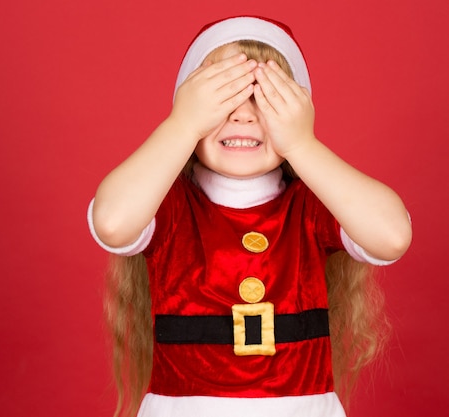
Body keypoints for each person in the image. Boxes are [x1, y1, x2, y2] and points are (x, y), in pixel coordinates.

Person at [87, 16, 412, 417]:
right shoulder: (170, 206)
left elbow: (392, 235)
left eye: (265, 98)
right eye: (223, 98)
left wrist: (301, 144)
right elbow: (113, 223)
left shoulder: (310, 206)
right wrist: (182, 124)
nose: (243, 115)